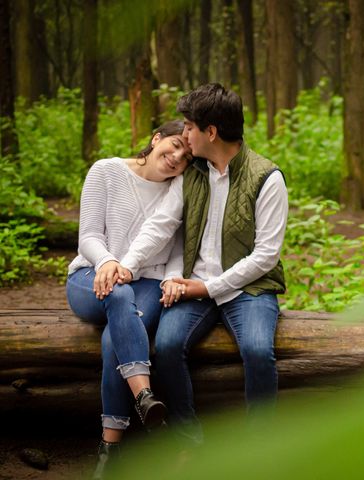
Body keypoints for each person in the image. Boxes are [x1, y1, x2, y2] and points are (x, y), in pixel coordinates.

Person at [116, 83, 288, 444]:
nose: (185, 134)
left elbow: (266, 255)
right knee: (165, 346)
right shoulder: (192, 174)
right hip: (194, 286)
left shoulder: (267, 178)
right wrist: (127, 267)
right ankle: (187, 442)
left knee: (258, 349)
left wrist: (209, 287)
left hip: (249, 288)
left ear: (211, 132)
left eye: (189, 127)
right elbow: (161, 225)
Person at [65, 120, 192, 478]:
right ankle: (144, 396)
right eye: (173, 144)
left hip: (147, 284)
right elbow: (88, 236)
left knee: (113, 339)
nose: (177, 156)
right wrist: (107, 261)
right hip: (90, 276)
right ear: (156, 139)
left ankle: (110, 450)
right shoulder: (106, 171)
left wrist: (171, 280)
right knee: (119, 294)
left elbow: (176, 251)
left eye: (185, 155)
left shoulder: (178, 190)